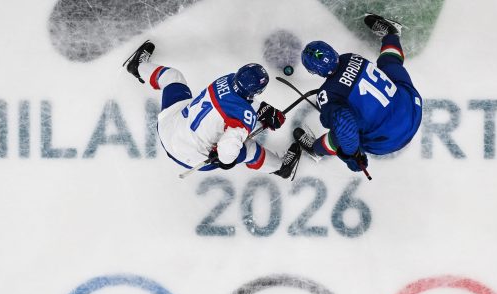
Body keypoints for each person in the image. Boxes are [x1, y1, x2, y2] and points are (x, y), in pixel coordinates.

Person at [123, 41, 302, 178]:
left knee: (172, 77)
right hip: (190, 156)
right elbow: (227, 152)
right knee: (249, 150)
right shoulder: (242, 118)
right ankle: (282, 168)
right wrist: (224, 159)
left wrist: (262, 110)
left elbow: (235, 102)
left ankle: (138, 66)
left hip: (170, 127)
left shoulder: (227, 79)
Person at [293, 14, 423, 174]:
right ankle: (392, 35)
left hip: (387, 141)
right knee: (389, 64)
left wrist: (352, 156)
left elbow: (345, 126)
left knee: (339, 135)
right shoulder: (350, 58)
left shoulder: (327, 94)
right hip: (412, 109)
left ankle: (316, 150)